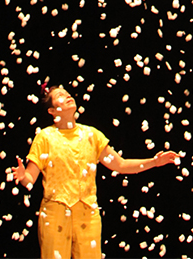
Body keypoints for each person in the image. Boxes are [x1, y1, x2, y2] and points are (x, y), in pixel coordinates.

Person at [11, 81, 180, 259]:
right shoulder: (45, 137)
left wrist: (153, 162)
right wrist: (23, 176)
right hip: (55, 211)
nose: (67, 96)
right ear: (51, 111)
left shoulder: (91, 135)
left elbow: (120, 165)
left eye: (67, 93)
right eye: (60, 96)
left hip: (87, 212)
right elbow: (30, 177)